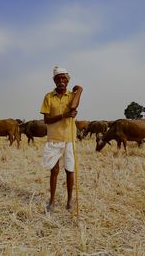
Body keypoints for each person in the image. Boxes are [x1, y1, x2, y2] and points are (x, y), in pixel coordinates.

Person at [40, 66, 83, 212]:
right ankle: (51, 201)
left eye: (64, 78)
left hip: (69, 138)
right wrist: (64, 116)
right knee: (54, 170)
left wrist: (80, 90)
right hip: (54, 138)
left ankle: (69, 200)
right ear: (54, 80)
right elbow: (46, 120)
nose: (61, 81)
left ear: (68, 80)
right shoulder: (48, 97)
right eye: (58, 78)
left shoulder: (72, 96)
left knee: (69, 170)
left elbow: (74, 105)